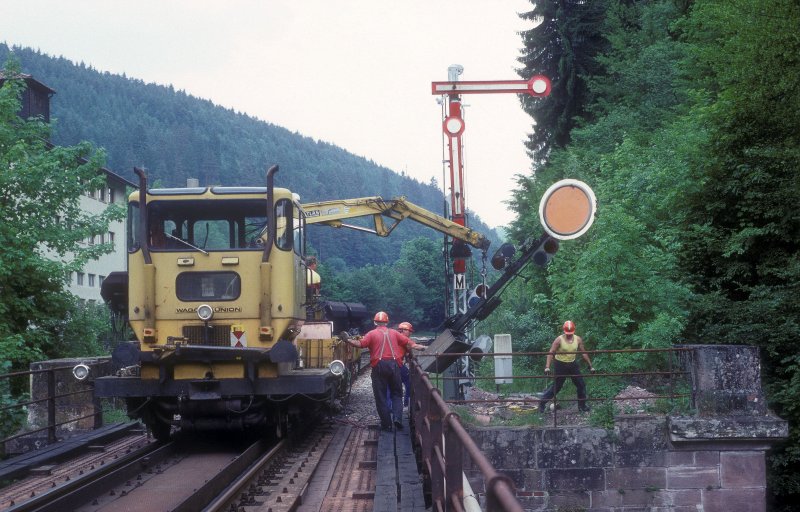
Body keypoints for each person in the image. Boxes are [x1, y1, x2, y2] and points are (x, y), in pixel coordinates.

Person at [345, 311, 425, 431]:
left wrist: (348, 340)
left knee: (380, 396)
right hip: (394, 366)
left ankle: (386, 424)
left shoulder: (371, 334)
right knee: (397, 394)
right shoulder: (394, 333)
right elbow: (412, 344)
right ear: (387, 322)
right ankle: (397, 418)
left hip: (378, 366)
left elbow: (359, 344)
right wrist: (425, 348)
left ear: (375, 322)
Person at [538, 320, 595, 413]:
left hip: (572, 363)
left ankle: (582, 406)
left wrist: (590, 365)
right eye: (567, 333)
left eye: (570, 333)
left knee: (581, 384)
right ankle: (542, 403)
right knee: (557, 386)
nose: (569, 335)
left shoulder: (578, 339)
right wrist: (547, 366)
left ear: (574, 331)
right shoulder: (559, 340)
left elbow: (583, 353)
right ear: (564, 331)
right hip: (560, 364)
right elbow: (551, 352)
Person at [386, 321, 414, 410]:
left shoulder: (393, 337)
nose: (410, 333)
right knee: (409, 381)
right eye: (409, 331)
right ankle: (407, 402)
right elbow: (411, 348)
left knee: (389, 385)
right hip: (397, 364)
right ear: (405, 331)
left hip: (386, 364)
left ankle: (388, 407)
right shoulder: (404, 339)